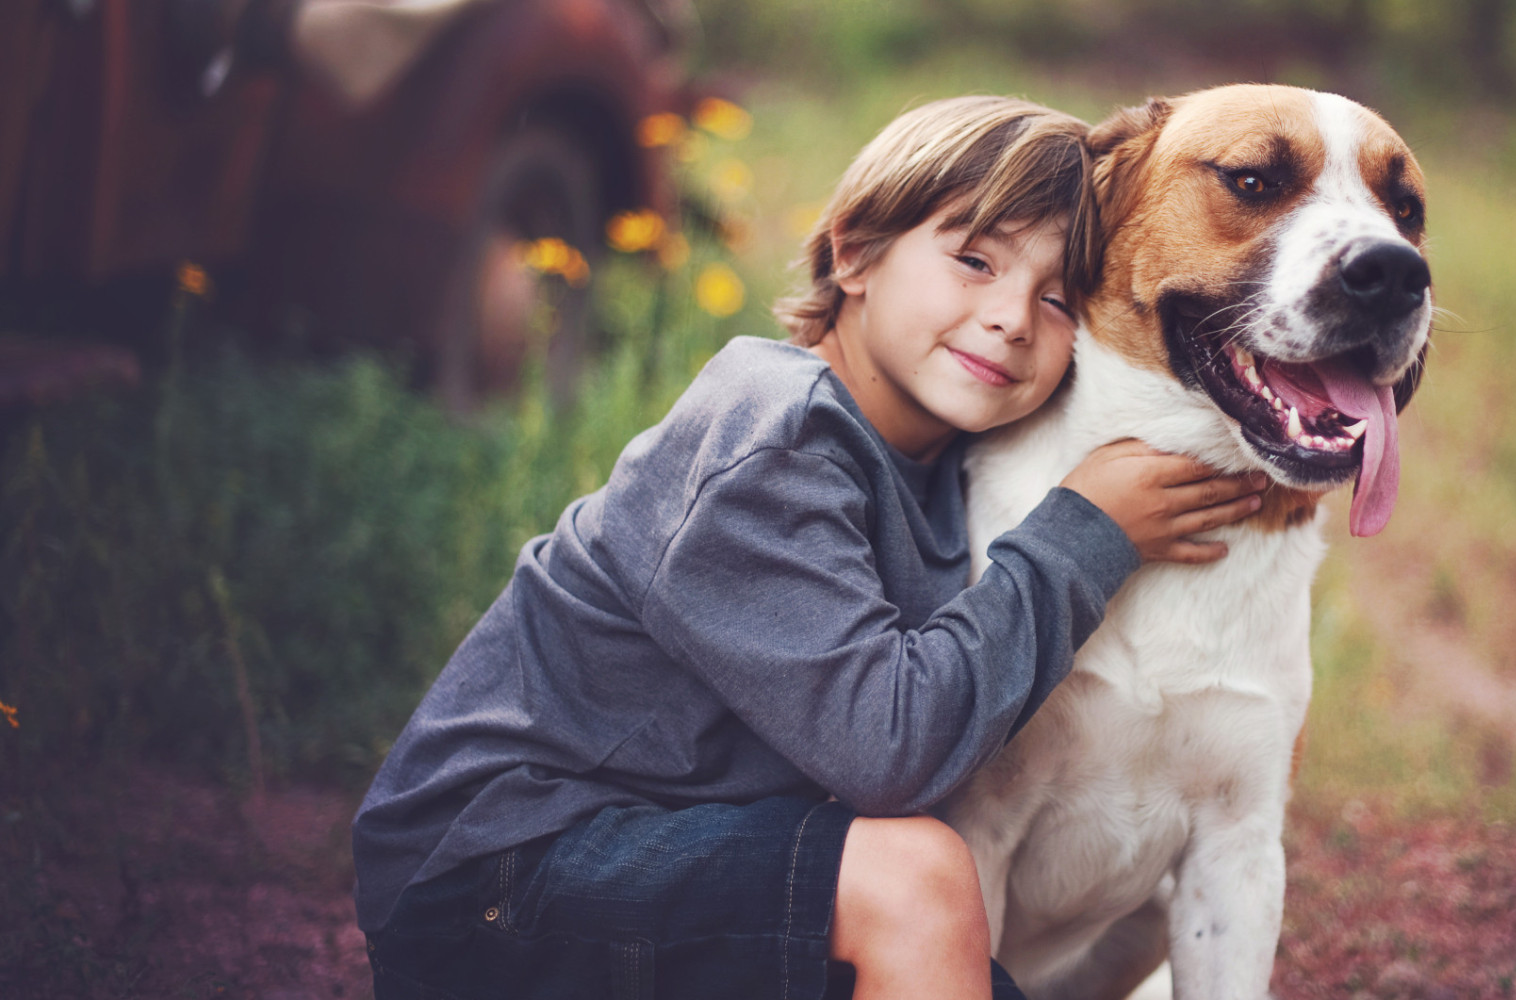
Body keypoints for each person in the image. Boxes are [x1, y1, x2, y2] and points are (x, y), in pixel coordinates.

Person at [350, 95, 1267, 1000]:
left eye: (1059, 299)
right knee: (911, 882)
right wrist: (1085, 533)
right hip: (501, 874)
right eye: (974, 260)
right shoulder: (769, 436)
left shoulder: (950, 464)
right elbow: (888, 753)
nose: (1012, 317)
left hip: (688, 863)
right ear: (855, 251)